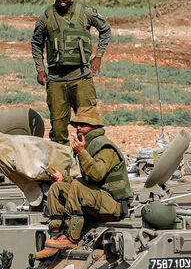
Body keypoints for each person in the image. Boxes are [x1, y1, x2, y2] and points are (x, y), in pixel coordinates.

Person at [36, 107, 132, 258]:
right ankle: (56, 235)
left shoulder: (104, 147)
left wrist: (81, 152)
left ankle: (72, 237)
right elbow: (87, 179)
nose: (78, 128)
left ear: (95, 126)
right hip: (98, 199)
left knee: (77, 185)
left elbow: (96, 174)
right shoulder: (89, 144)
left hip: (114, 205)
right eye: (76, 125)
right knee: (58, 188)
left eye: (83, 124)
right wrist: (62, 180)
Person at [30, 0, 111, 144]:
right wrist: (40, 68)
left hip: (82, 78)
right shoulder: (46, 17)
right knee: (58, 130)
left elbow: (106, 30)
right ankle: (62, 167)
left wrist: (98, 56)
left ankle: (91, 164)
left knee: (89, 126)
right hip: (56, 81)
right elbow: (36, 42)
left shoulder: (86, 13)